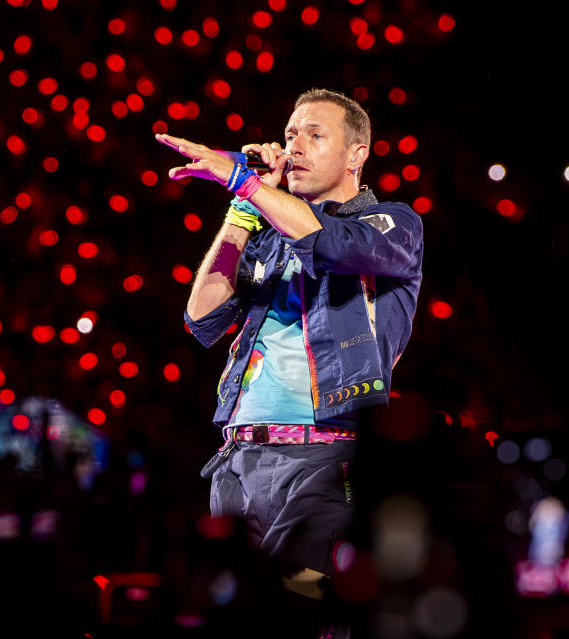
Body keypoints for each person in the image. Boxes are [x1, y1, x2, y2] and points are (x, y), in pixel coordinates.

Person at [157, 88, 423, 628]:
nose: (294, 145)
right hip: (239, 461)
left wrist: (245, 184)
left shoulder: (392, 225)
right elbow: (202, 317)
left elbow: (329, 243)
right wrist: (240, 209)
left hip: (324, 458)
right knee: (236, 609)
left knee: (299, 604)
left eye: (314, 134)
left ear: (356, 154)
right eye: (290, 134)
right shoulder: (267, 233)